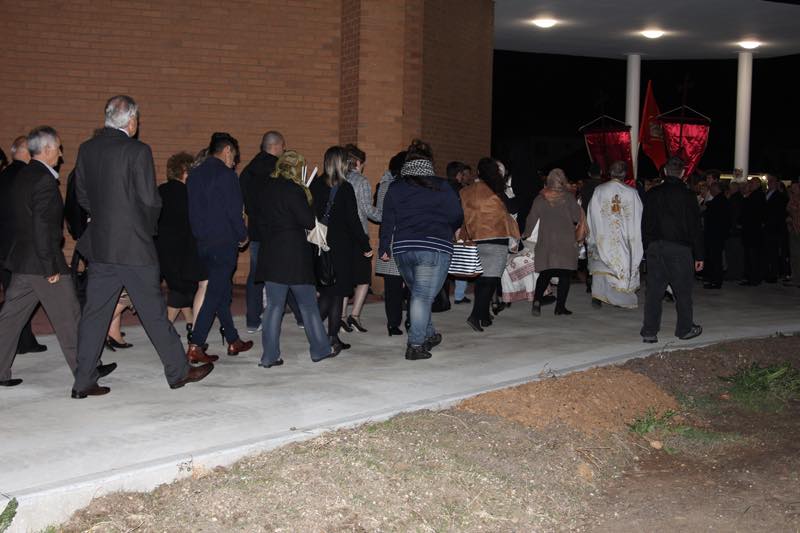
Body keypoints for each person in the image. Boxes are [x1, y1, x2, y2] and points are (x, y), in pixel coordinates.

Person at [72, 95, 212, 397]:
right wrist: (147, 230)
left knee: (94, 314)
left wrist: (103, 219)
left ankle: (83, 381)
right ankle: (178, 371)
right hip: (134, 247)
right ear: (132, 121)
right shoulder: (137, 151)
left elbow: (81, 194)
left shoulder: (87, 149)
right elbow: (149, 200)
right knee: (153, 313)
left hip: (101, 246)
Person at [0, 127, 116, 388]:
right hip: (43, 264)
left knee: (10, 319)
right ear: (47, 149)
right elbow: (43, 227)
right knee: (70, 320)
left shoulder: (22, 175)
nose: (61, 154)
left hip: (23, 261)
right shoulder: (43, 180)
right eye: (58, 148)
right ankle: (86, 378)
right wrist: (50, 266)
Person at [379, 139, 463, 360]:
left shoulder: (396, 187)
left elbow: (387, 220)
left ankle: (429, 334)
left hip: (403, 249)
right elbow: (456, 215)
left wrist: (384, 247)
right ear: (429, 162)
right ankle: (415, 345)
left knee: (419, 294)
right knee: (422, 296)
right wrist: (451, 227)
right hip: (433, 247)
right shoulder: (442, 186)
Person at [255, 150, 340, 367]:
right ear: (296, 168)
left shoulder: (265, 189)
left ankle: (269, 356)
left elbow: (259, 220)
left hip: (271, 253)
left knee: (274, 306)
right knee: (308, 305)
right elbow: (308, 221)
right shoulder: (295, 190)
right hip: (294, 256)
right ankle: (320, 349)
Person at [186, 132, 253, 362]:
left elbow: (193, 211)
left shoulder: (195, 174)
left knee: (222, 292)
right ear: (227, 151)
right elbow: (234, 212)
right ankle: (195, 345)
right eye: (234, 157)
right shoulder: (227, 175)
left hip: (202, 242)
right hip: (223, 243)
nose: (234, 162)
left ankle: (233, 340)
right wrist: (243, 236)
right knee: (214, 295)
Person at [239, 130, 301, 332]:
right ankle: (302, 317)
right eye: (283, 146)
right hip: (276, 231)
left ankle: (252, 320)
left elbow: (243, 200)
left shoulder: (248, 170)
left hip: (256, 230)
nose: (284, 149)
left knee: (256, 275)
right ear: (276, 146)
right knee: (286, 272)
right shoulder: (277, 169)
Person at [310, 146, 372, 349]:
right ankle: (331, 337)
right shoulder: (345, 188)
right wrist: (365, 245)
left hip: (319, 245)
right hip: (341, 248)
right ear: (341, 163)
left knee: (326, 292)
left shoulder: (315, 185)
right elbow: (353, 221)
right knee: (337, 295)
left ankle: (318, 333)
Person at [640, 156, 704, 344]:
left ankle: (649, 331)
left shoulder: (653, 193)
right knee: (683, 291)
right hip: (679, 249)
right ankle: (684, 329)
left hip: (656, 247)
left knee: (654, 292)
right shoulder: (688, 195)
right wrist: (699, 255)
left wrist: (647, 246)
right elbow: (695, 227)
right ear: (683, 173)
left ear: (665, 172)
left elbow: (645, 223)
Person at [459, 157, 520, 331]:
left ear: (478, 172)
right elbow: (513, 208)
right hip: (496, 238)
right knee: (490, 280)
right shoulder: (497, 190)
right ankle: (475, 315)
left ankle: (484, 316)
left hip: (475, 239)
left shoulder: (466, 191)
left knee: (482, 280)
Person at [0, 135, 47, 355]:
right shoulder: (26, 176)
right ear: (27, 152)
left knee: (16, 296)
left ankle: (25, 341)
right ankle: (19, 342)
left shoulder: (4, 175)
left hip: (4, 246)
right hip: (20, 247)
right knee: (19, 299)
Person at [156, 152, 208, 335]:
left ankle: (190, 321)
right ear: (185, 172)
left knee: (178, 286)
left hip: (161, 248)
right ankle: (165, 330)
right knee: (182, 289)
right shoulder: (188, 194)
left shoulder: (160, 190)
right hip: (182, 250)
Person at [524, 169, 583, 316]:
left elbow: (531, 218)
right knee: (565, 276)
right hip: (565, 243)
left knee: (545, 274)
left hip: (546, 242)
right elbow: (577, 217)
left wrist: (526, 233)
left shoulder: (540, 198)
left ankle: (537, 301)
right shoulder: (568, 198)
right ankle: (560, 308)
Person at [586, 161, 643, 309]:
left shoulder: (600, 190)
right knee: (621, 264)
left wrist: (593, 233)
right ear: (624, 174)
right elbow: (638, 217)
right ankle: (618, 297)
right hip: (624, 238)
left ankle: (598, 296)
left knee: (602, 264)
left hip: (603, 235)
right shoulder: (632, 193)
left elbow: (592, 214)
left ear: (610, 173)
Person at [341, 144, 381, 333]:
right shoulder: (361, 181)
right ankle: (354, 316)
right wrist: (386, 215)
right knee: (363, 277)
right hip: (358, 236)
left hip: (340, 236)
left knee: (344, 278)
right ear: (357, 162)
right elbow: (367, 209)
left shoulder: (337, 177)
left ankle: (341, 317)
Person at [375, 152, 409, 335]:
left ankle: (393, 324)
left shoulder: (384, 186)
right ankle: (411, 320)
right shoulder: (413, 187)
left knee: (392, 286)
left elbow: (381, 213)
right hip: (406, 238)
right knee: (412, 284)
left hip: (390, 238)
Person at [446, 161, 473, 305]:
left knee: (445, 263)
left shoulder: (441, 187)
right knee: (461, 261)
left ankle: (442, 296)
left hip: (442, 230)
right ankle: (459, 295)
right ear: (458, 175)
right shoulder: (462, 191)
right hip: (458, 230)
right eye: (463, 174)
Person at [702, 181, 730, 289]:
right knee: (715, 258)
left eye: (712, 188)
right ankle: (714, 280)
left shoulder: (719, 201)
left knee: (715, 259)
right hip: (717, 235)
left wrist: (707, 207)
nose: (710, 190)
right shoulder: (720, 200)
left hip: (715, 235)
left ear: (717, 189)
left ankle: (715, 281)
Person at [739, 177, 766, 286]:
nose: (750, 185)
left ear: (757, 184)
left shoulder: (757, 196)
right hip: (752, 230)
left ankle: (753, 278)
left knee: (753, 255)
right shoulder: (755, 195)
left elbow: (748, 211)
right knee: (751, 255)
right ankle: (751, 277)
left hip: (753, 231)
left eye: (752, 183)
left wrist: (746, 196)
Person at [764, 174, 789, 283]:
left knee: (774, 252)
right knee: (768, 252)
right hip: (767, 228)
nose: (769, 183)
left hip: (775, 228)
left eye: (772, 181)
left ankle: (774, 274)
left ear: (777, 183)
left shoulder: (780, 196)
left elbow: (779, 213)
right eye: (769, 181)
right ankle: (768, 272)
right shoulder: (767, 194)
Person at [786, 182, 800, 287]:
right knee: (794, 255)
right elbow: (788, 210)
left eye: (795, 187)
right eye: (792, 188)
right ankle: (795, 277)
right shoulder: (792, 198)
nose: (793, 189)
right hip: (793, 229)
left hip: (798, 228)